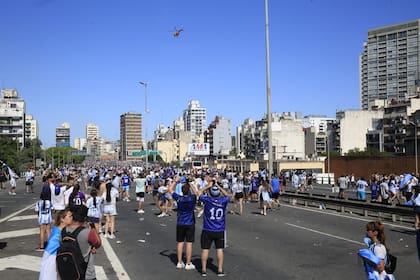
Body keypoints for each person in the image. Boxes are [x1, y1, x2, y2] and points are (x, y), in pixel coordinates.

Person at [197, 179, 230, 277]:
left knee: (205, 249)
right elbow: (227, 195)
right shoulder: (223, 201)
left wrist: (207, 186)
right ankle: (219, 269)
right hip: (219, 229)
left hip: (208, 228)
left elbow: (198, 193)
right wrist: (219, 187)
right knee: (219, 249)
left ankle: (203, 269)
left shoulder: (207, 200)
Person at [62, 205, 101, 280]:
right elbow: (98, 243)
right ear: (85, 218)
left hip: (68, 272)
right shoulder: (87, 232)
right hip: (86, 274)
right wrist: (93, 227)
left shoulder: (63, 231)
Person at [168, 176, 197, 270]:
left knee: (180, 242)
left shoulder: (179, 198)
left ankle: (179, 262)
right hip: (190, 222)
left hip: (180, 222)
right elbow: (197, 192)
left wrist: (175, 181)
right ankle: (188, 263)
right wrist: (191, 183)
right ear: (188, 191)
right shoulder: (192, 198)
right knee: (189, 243)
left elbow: (170, 189)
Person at [39, 208, 73, 280]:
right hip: (52, 261)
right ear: (62, 219)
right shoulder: (58, 234)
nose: (72, 218)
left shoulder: (57, 230)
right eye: (70, 216)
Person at [35, 185, 52, 251]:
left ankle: (42, 246)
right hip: (48, 218)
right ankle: (50, 246)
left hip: (41, 218)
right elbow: (53, 209)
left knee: (42, 232)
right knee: (48, 232)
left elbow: (36, 210)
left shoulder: (39, 203)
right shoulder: (49, 202)